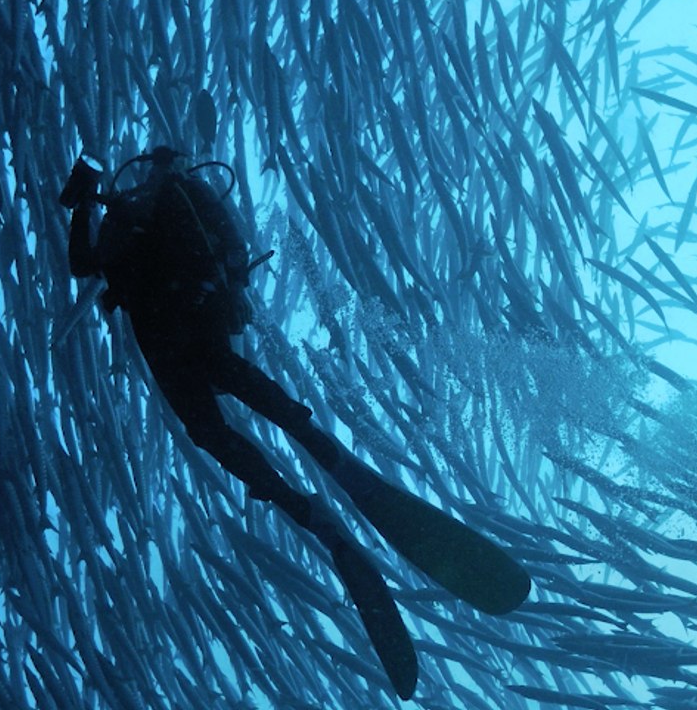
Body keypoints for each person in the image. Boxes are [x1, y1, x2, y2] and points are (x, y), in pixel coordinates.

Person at [62, 146, 530, 700]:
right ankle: (318, 473)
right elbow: (124, 263)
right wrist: (91, 210)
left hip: (175, 336)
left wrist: (88, 207)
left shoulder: (155, 204)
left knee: (217, 424)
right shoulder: (158, 205)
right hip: (189, 333)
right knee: (227, 406)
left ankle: (310, 496)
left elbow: (94, 264)